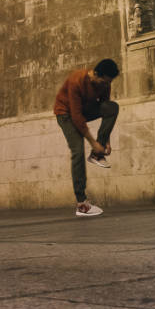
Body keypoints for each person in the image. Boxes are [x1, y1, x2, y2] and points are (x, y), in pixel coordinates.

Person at [54, 59, 120, 217]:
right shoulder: (76, 80)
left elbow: (105, 108)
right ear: (96, 74)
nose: (106, 85)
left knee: (112, 107)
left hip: (85, 110)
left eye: (108, 82)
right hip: (66, 114)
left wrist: (105, 142)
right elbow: (76, 117)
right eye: (104, 81)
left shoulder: (104, 83)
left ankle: (97, 155)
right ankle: (82, 204)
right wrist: (93, 142)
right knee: (77, 151)